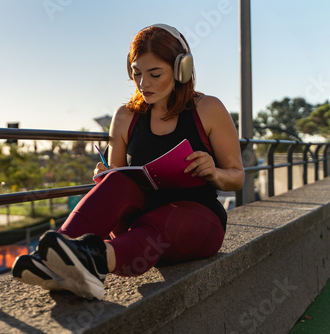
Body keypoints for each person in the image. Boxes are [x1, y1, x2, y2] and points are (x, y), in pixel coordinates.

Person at [12, 24, 244, 300]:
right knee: (115, 181)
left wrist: (214, 172)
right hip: (135, 223)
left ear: (181, 69)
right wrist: (105, 176)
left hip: (196, 222)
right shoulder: (125, 116)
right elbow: (118, 176)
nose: (143, 83)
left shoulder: (208, 109)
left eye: (154, 74)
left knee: (162, 221)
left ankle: (93, 261)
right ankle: (56, 255)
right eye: (136, 74)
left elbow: (236, 176)